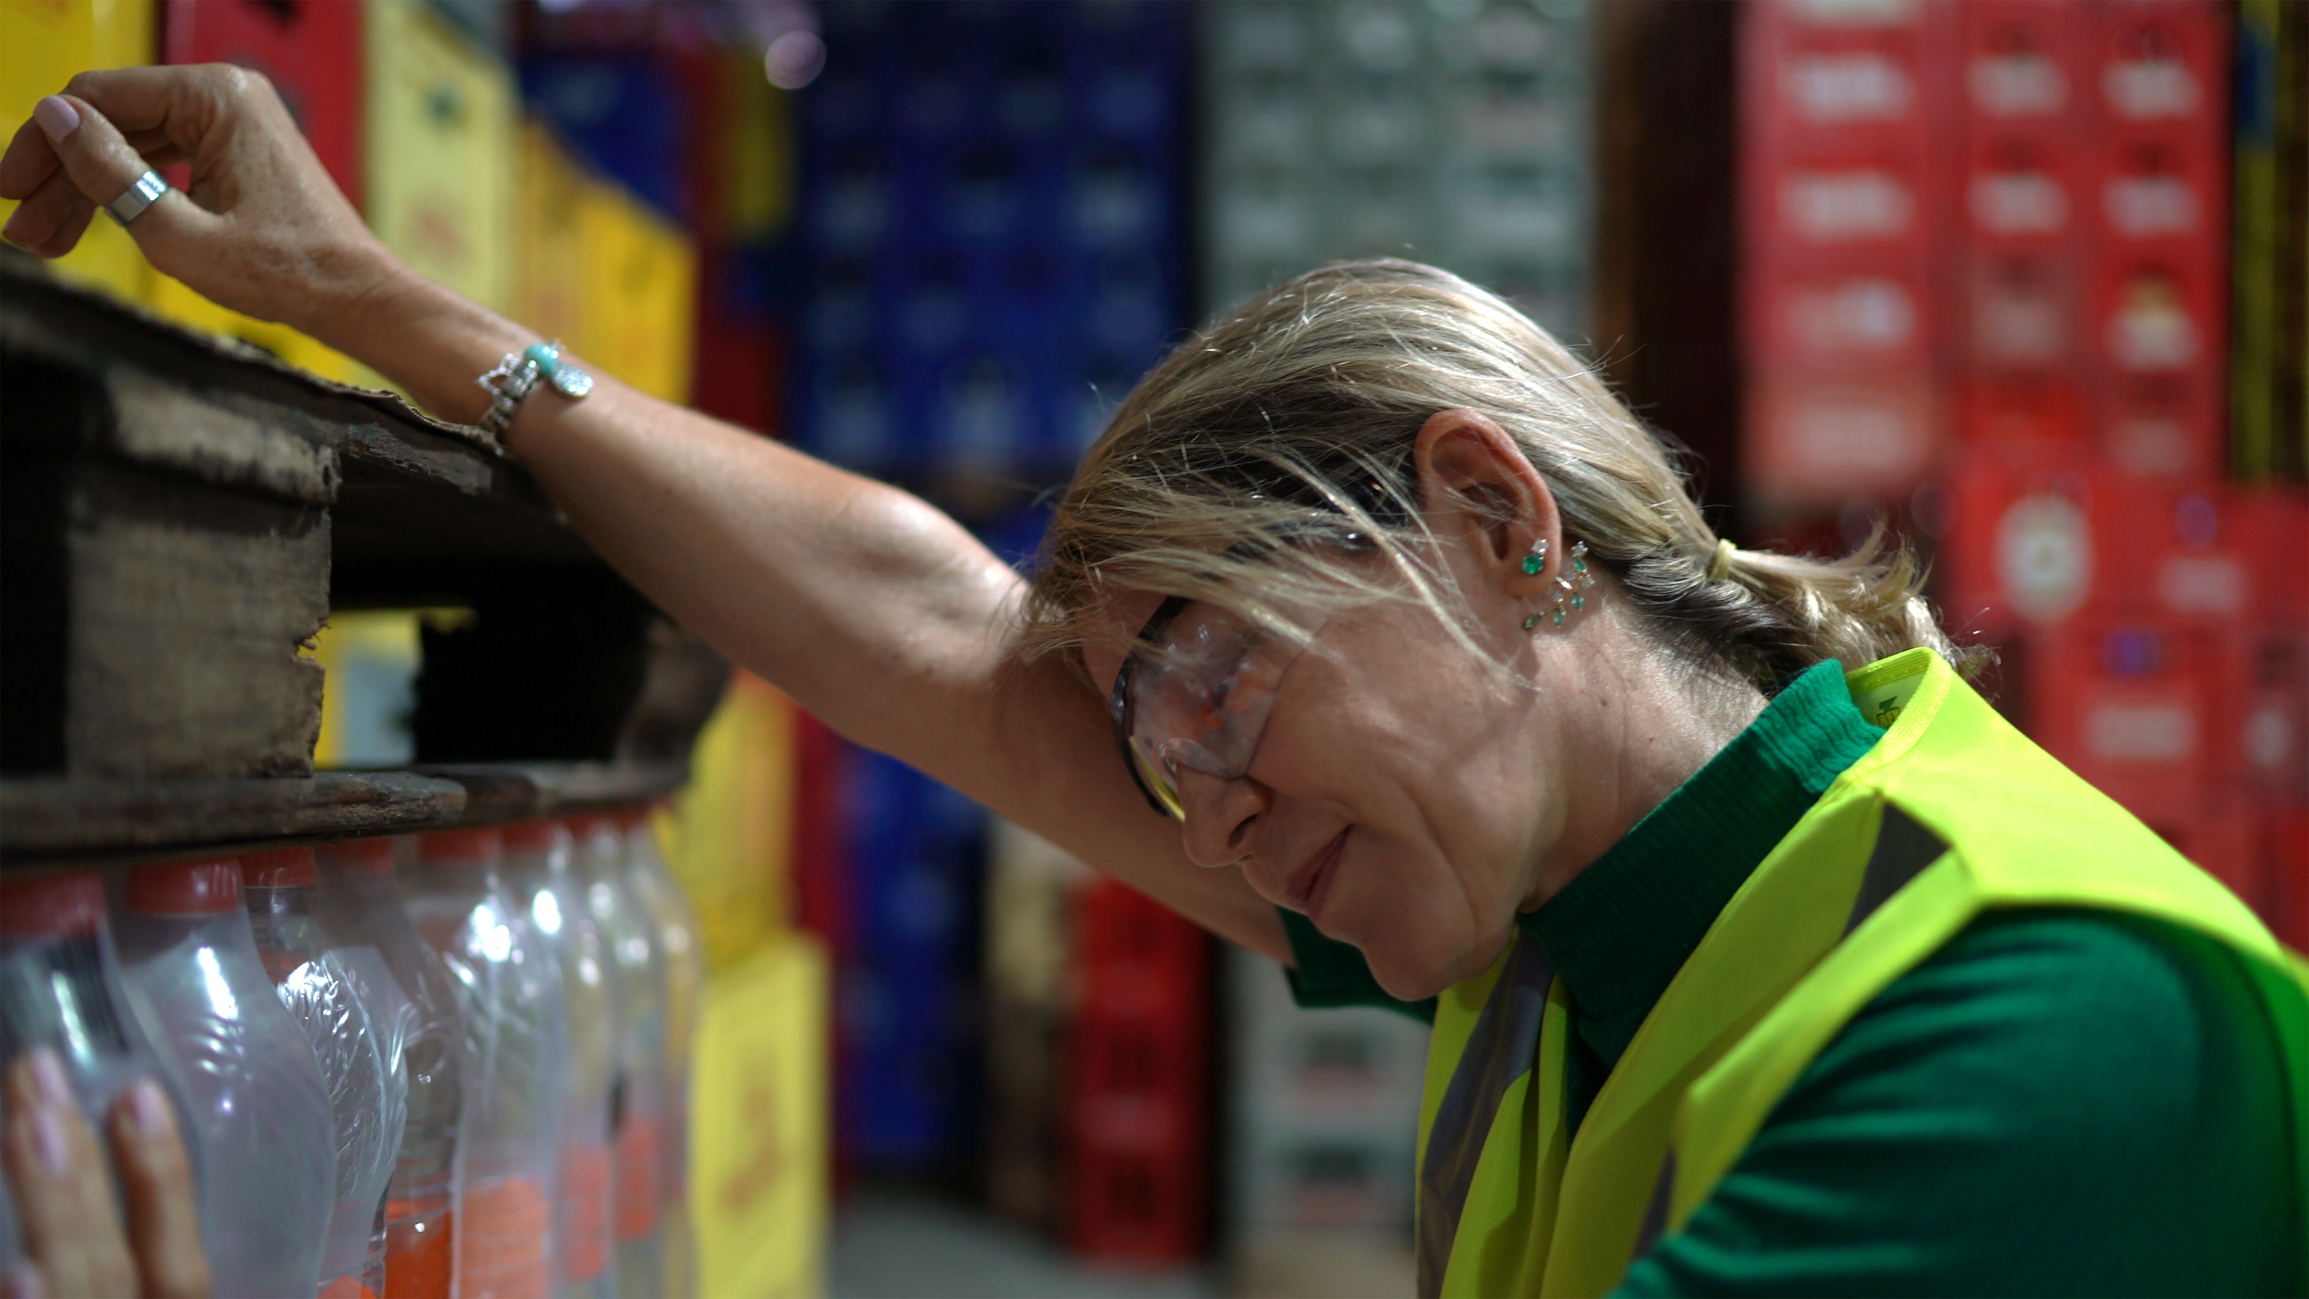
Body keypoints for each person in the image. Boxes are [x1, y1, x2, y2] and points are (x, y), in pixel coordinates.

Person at [6, 67, 2303, 1298]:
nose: (1187, 809)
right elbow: (949, 636)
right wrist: (369, 301)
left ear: (1496, 517)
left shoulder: (2025, 1022)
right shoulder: (1598, 907)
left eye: (1211, 677)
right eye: (1150, 740)